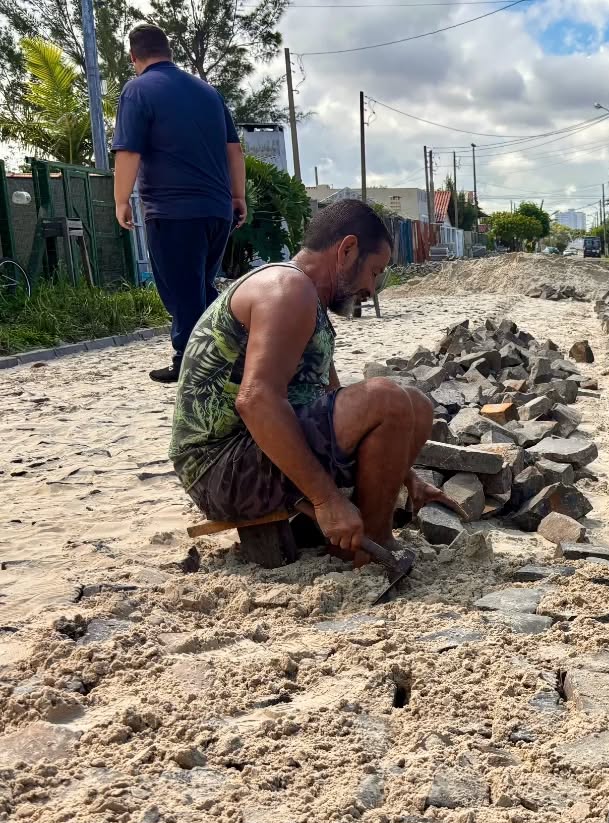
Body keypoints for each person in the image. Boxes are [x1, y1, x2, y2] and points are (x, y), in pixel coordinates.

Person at [168, 199, 456, 563]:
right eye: (374, 272)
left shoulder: (309, 303)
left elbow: (334, 399)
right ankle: (372, 546)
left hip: (250, 458)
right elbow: (256, 400)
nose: (372, 289)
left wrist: (405, 474)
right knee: (388, 398)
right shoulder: (286, 289)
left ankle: (355, 539)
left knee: (415, 403)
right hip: (221, 471)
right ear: (347, 250)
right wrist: (328, 500)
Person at [112, 23, 246, 384]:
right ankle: (229, 348)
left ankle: (192, 365)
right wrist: (238, 196)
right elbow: (234, 150)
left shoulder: (138, 90)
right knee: (200, 286)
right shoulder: (208, 92)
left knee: (181, 291)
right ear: (168, 51)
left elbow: (128, 151)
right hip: (217, 210)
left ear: (133, 57)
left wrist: (121, 200)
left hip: (173, 211)